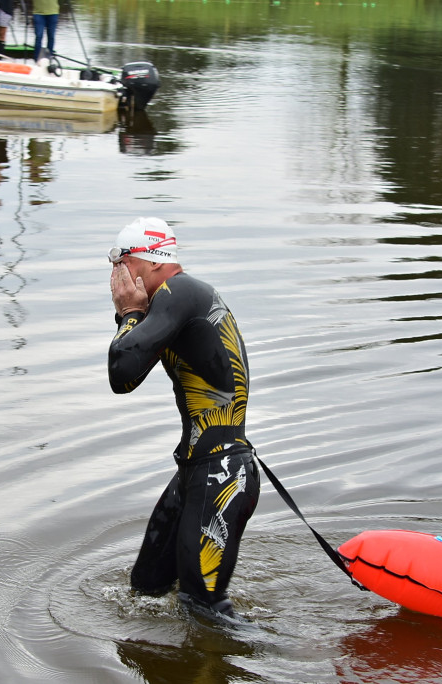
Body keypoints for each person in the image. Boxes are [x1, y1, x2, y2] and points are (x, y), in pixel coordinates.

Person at [107, 218, 260, 620]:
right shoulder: (171, 304)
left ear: (152, 261)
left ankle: (285, 661)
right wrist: (133, 315)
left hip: (222, 474)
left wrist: (129, 313)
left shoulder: (181, 292)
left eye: (121, 262)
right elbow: (125, 379)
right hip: (199, 470)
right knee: (147, 587)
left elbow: (121, 368)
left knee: (203, 608)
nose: (116, 276)